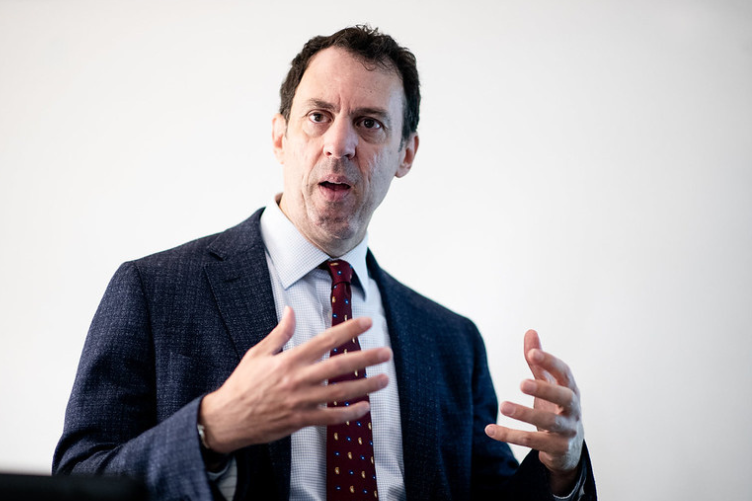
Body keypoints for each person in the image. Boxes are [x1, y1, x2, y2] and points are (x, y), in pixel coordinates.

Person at [53, 26, 596, 500]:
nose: (339, 143)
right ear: (280, 135)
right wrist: (210, 428)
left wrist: (560, 469)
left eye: (369, 123)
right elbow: (79, 479)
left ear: (406, 154)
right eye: (318, 116)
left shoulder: (453, 343)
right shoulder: (154, 291)